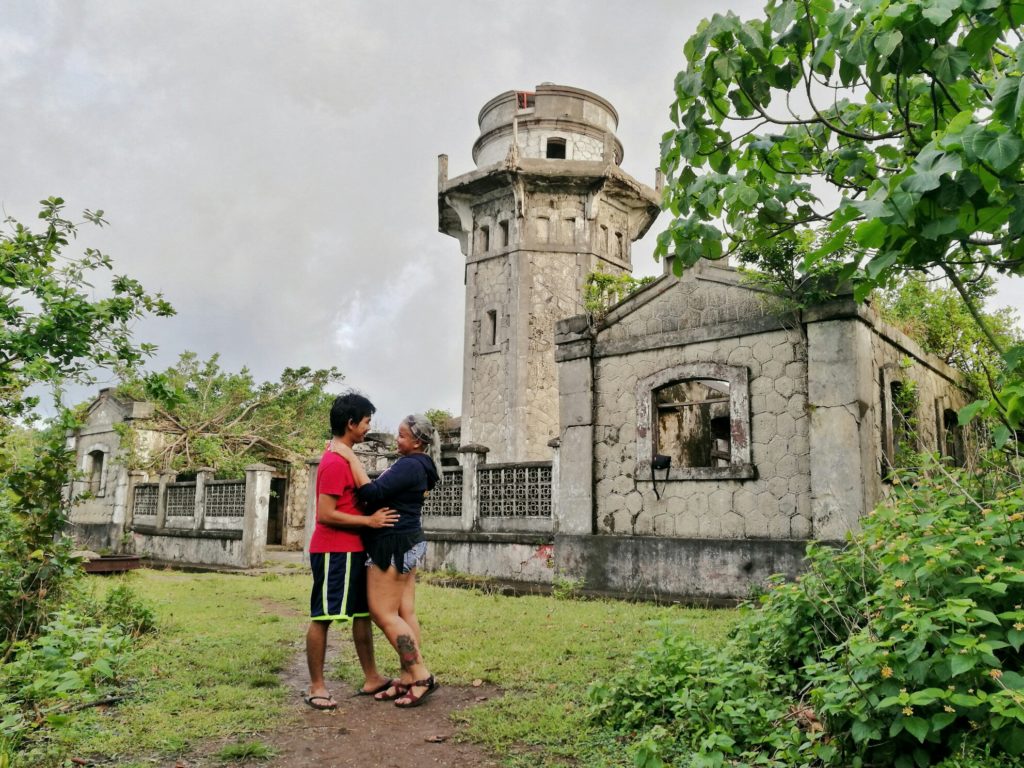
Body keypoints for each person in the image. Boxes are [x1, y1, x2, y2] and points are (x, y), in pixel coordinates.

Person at [331, 413, 439, 708]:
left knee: (382, 613)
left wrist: (351, 459)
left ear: (418, 441)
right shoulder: (423, 465)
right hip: (410, 540)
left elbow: (371, 492)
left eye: (402, 436)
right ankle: (407, 676)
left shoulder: (411, 465)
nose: (397, 440)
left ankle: (420, 675)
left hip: (392, 544)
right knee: (405, 611)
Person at [304, 393, 399, 710]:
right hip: (334, 551)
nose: (369, 427)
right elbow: (325, 514)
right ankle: (317, 686)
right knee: (324, 616)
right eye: (367, 421)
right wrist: (368, 521)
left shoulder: (343, 456)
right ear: (351, 423)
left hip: (353, 549)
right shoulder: (332, 462)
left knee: (361, 615)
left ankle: (371, 676)